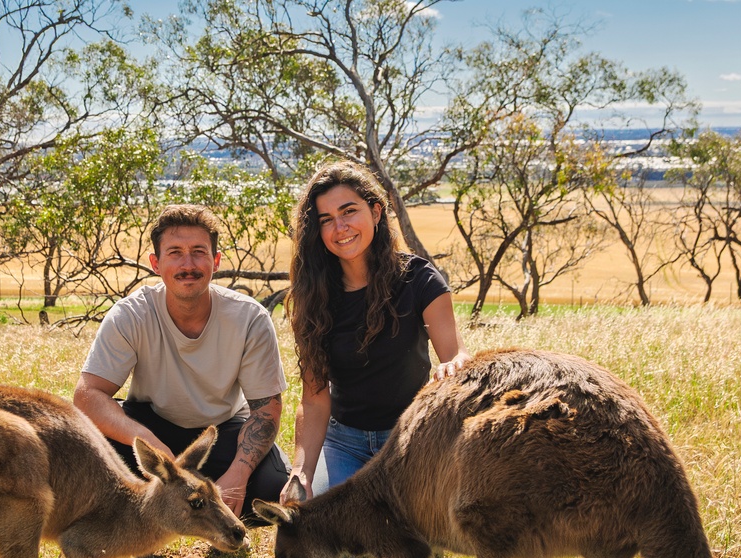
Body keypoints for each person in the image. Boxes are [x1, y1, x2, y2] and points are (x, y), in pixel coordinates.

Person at [74, 203, 290, 524]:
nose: (188, 264)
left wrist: (238, 476)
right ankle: (140, 526)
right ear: (156, 263)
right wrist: (154, 450)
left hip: (220, 429)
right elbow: (88, 395)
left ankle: (209, 519)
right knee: (85, 465)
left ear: (216, 261)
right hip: (150, 423)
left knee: (271, 487)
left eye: (199, 252)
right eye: (175, 253)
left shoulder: (249, 318)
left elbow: (266, 410)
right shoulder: (131, 314)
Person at [284, 161, 471, 499]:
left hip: (410, 436)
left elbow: (455, 354)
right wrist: (301, 472)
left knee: (409, 529)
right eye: (326, 219)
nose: (340, 227)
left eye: (348, 211)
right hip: (343, 443)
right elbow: (314, 397)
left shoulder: (419, 279)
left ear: (375, 211)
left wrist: (454, 365)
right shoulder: (313, 296)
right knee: (320, 520)